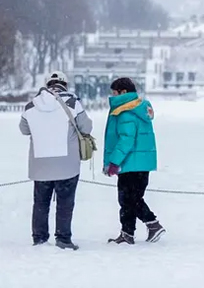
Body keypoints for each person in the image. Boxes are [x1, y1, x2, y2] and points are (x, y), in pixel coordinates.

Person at [19, 71, 93, 250]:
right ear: (64, 85)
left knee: (41, 203)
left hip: (40, 164)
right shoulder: (73, 103)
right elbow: (87, 127)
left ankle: (39, 237)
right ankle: (63, 238)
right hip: (67, 164)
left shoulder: (31, 105)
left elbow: (23, 129)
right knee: (65, 203)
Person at [104, 77, 165, 245]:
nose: (112, 96)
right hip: (140, 163)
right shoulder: (139, 108)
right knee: (131, 199)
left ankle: (152, 225)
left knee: (129, 199)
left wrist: (114, 162)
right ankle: (127, 233)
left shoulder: (126, 112)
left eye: (114, 93)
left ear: (123, 93)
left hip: (130, 163)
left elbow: (126, 139)